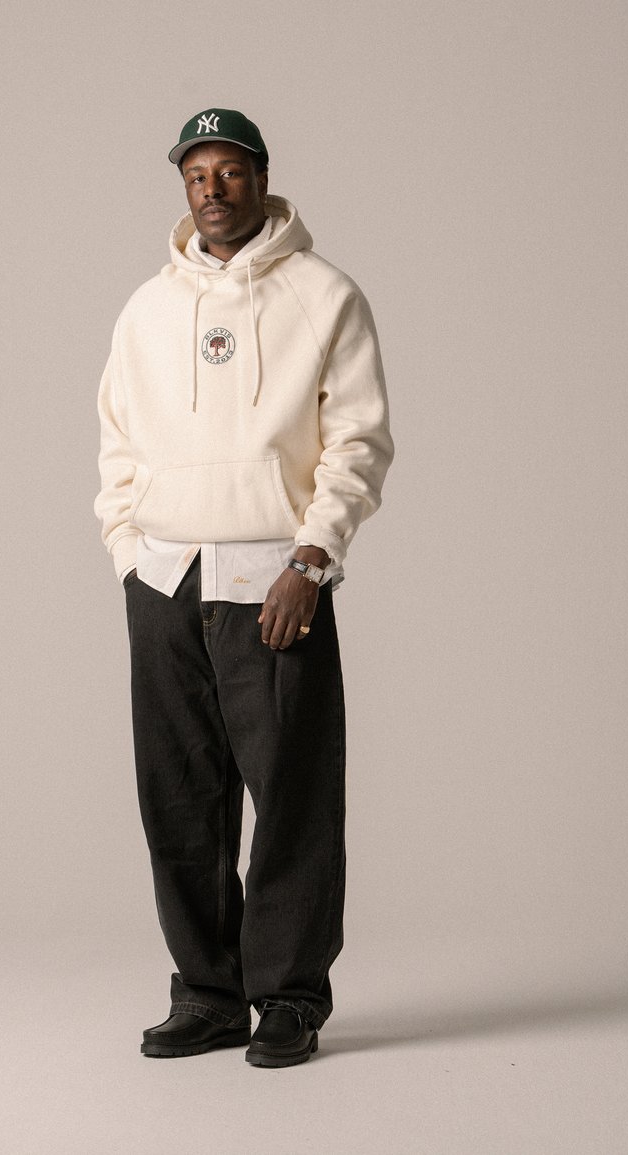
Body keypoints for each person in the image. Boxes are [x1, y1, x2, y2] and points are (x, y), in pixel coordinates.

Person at [94, 108, 393, 1068]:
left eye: (229, 171)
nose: (212, 190)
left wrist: (312, 558)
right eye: (197, 176)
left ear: (262, 178)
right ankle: (208, 993)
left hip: (274, 580)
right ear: (183, 188)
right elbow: (117, 443)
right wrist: (128, 553)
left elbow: (358, 441)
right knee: (178, 795)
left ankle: (290, 995)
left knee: (293, 794)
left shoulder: (324, 295)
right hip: (166, 580)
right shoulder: (146, 308)